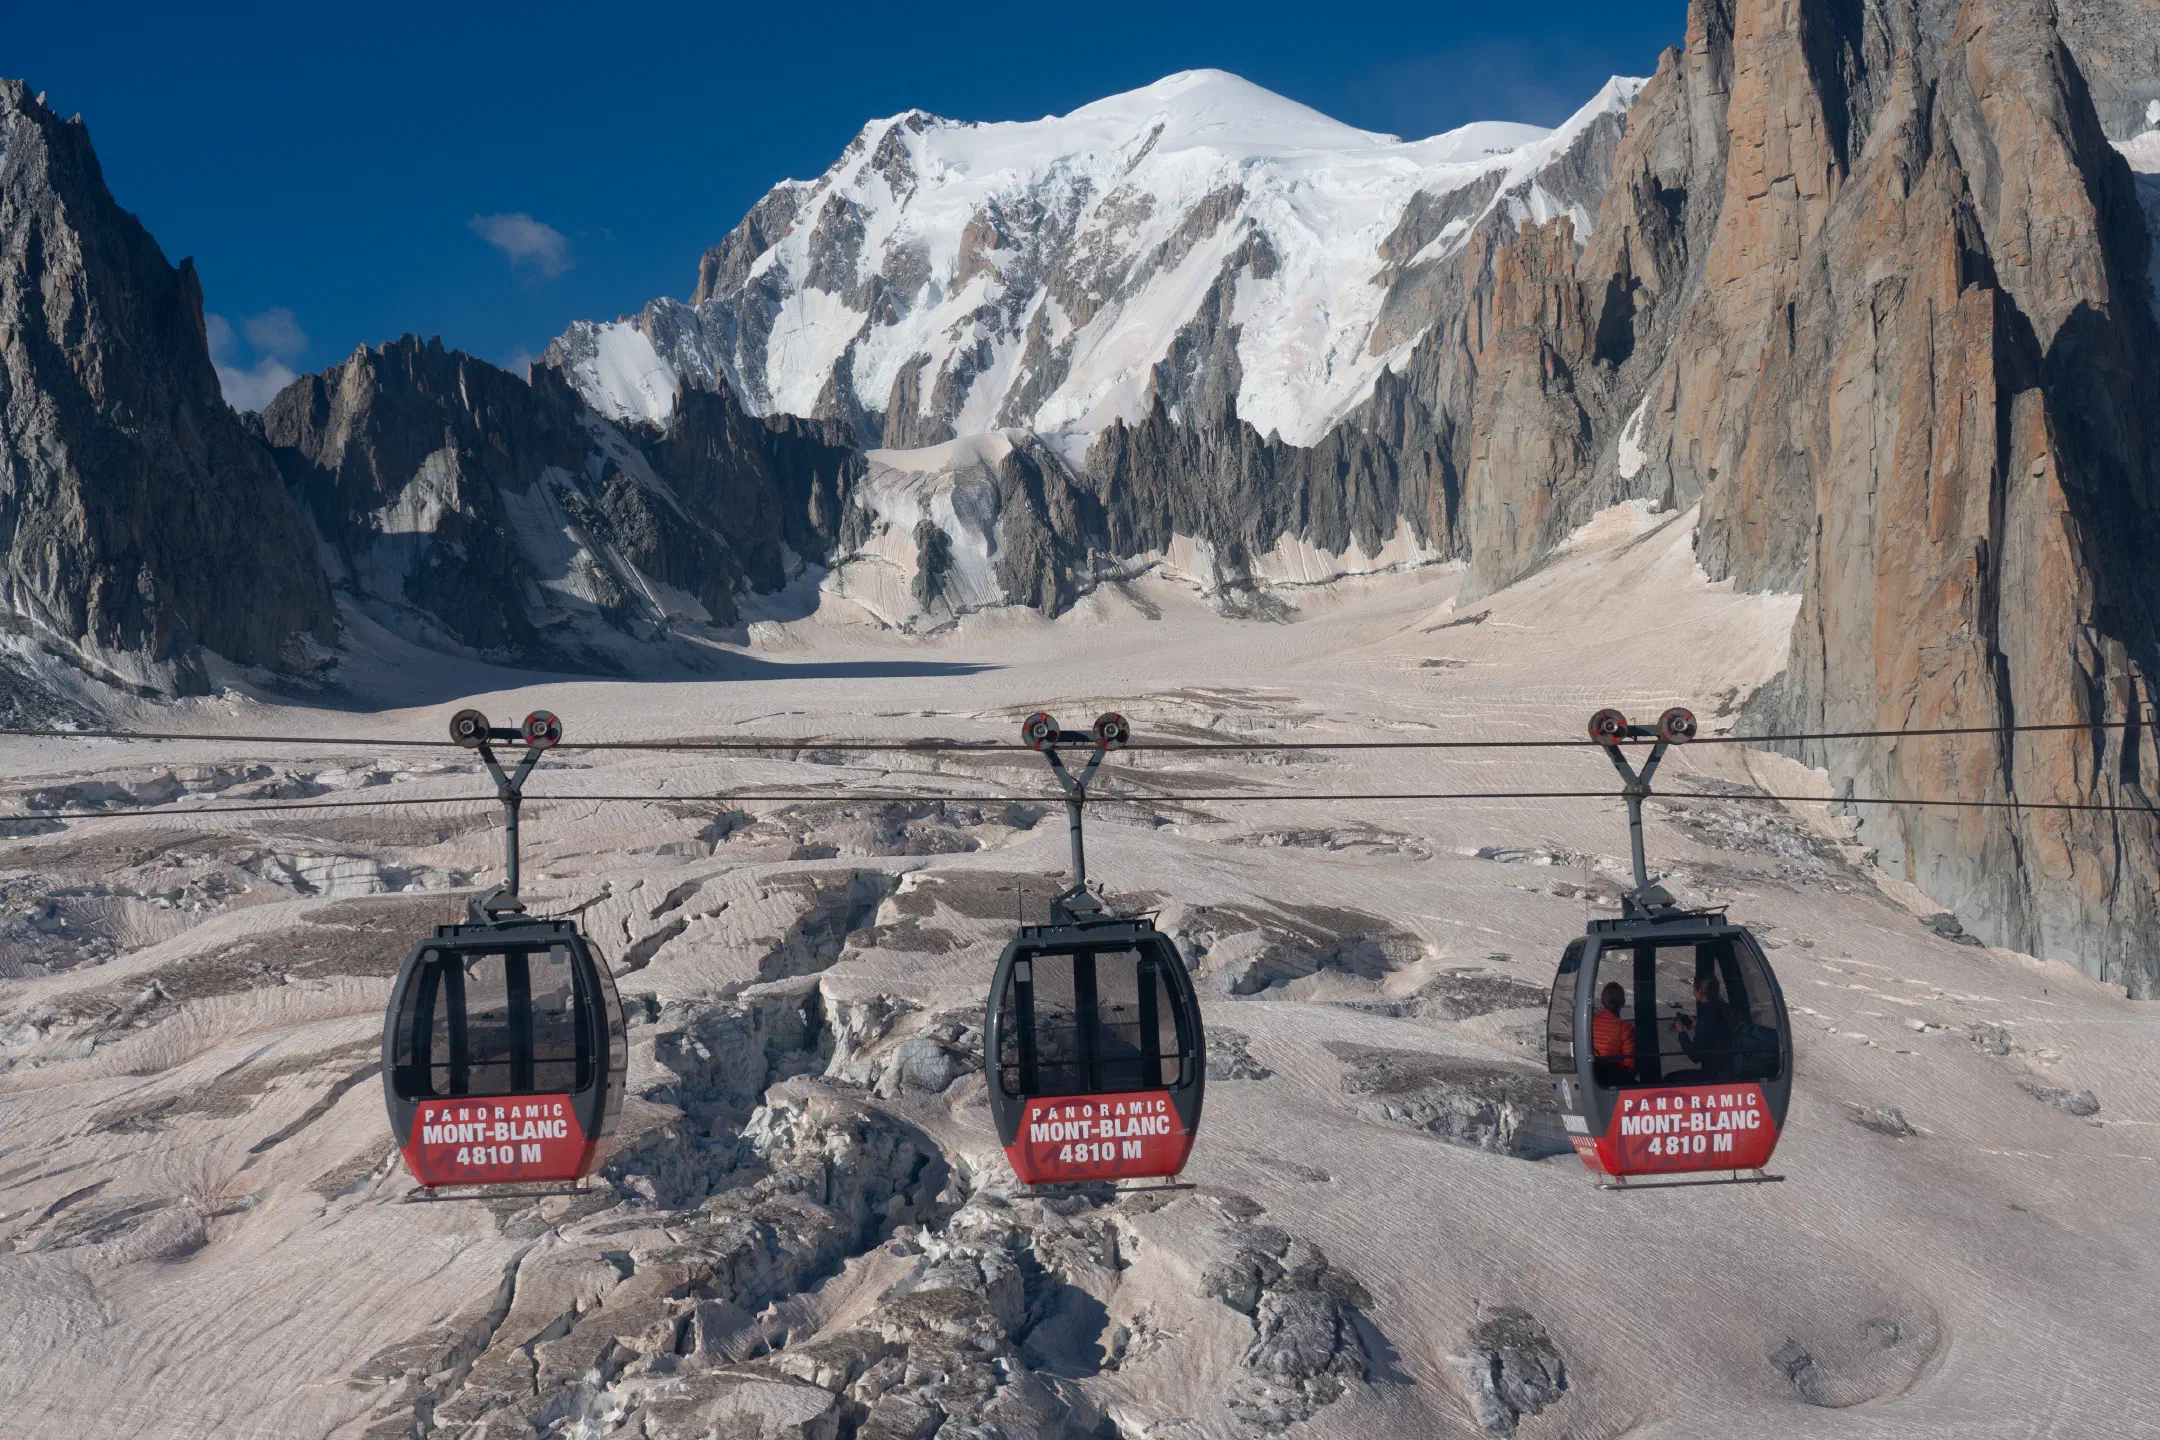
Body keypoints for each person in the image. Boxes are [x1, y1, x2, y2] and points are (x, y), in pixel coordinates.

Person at [1674, 971, 1735, 1082]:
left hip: (1716, 1075)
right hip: (1728, 1069)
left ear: (1700, 991)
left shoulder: (1707, 1015)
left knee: (1672, 1079)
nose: (1693, 992)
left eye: (1694, 989)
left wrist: (1681, 1032)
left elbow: (1695, 1056)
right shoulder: (1723, 1007)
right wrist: (1697, 1024)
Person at [1591, 981, 1635, 1081]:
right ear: (1622, 1002)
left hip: (1593, 1077)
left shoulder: (1590, 1023)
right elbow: (1630, 1066)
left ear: (1603, 1001)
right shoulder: (1625, 1028)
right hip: (1614, 1079)